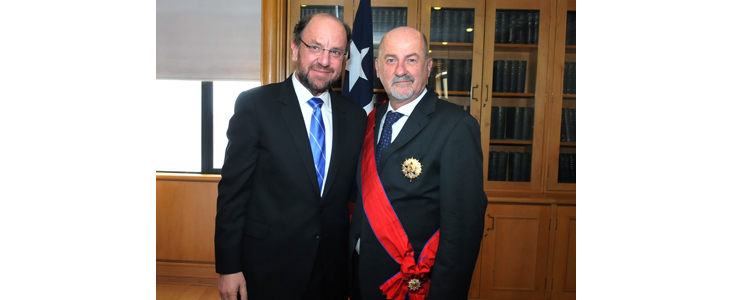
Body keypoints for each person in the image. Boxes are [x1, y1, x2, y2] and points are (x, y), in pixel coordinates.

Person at [215, 13, 366, 300]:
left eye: (335, 52)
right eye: (315, 47)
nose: (325, 60)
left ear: (344, 59)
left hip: (331, 273)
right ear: (295, 48)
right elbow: (233, 193)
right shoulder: (256, 105)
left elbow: (356, 193)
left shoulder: (356, 118)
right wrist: (228, 266)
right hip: (267, 269)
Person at [348, 26, 488, 300]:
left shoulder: (456, 126)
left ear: (428, 67)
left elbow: (462, 231)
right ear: (377, 68)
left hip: (412, 284)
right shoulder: (368, 122)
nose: (400, 70)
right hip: (358, 278)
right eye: (391, 60)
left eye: (411, 59)